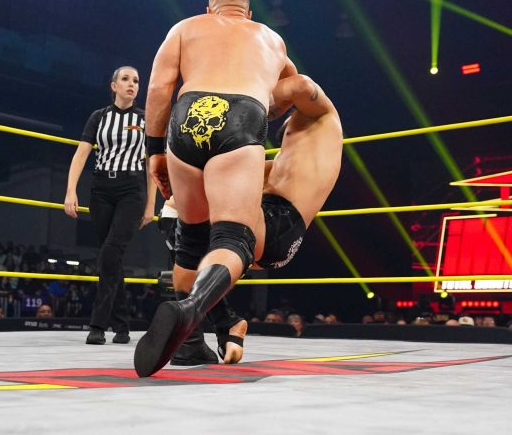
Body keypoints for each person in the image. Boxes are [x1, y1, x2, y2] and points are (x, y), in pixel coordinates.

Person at [139, 59, 342, 374]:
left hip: (280, 220)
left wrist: (258, 100)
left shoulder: (324, 116)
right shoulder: (298, 148)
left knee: (189, 224)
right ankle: (215, 331)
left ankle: (208, 319)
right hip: (273, 223)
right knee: (180, 214)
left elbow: (300, 84)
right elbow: (257, 175)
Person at [64, 66, 157, 346]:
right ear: (113, 86)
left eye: (136, 80)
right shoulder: (99, 117)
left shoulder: (146, 119)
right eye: (126, 79)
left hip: (132, 189)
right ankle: (122, 325)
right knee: (111, 259)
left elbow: (153, 164)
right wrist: (70, 191)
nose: (132, 84)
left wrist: (151, 205)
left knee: (110, 253)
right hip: (101, 189)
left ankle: (98, 324)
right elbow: (81, 153)